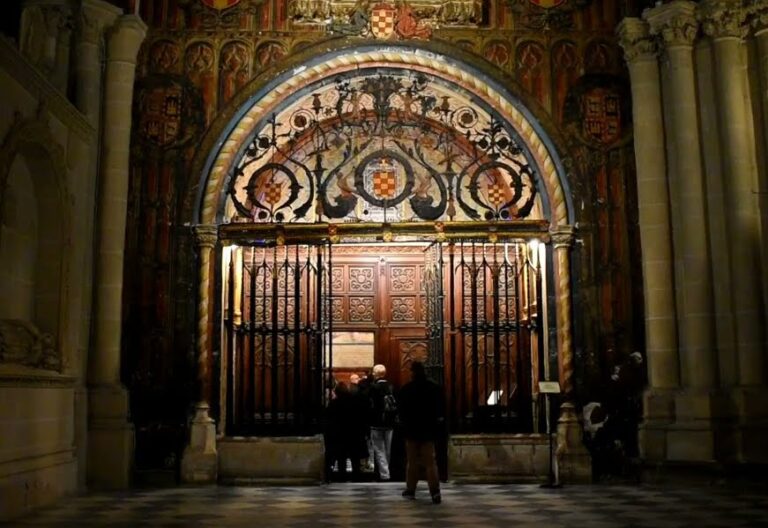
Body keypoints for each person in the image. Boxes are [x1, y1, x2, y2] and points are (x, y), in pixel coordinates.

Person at [398, 361, 444, 504]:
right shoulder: (433, 388)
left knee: (412, 462)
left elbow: (402, 411)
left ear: (412, 372)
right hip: (428, 429)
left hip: (412, 429)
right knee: (430, 462)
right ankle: (435, 491)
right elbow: (439, 409)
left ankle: (410, 489)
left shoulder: (407, 389)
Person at [368, 364, 395, 481]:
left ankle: (385, 474)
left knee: (379, 449)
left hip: (376, 422)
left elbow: (370, 405)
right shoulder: (391, 386)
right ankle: (387, 470)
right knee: (388, 449)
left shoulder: (373, 387)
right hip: (390, 422)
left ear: (376, 374)